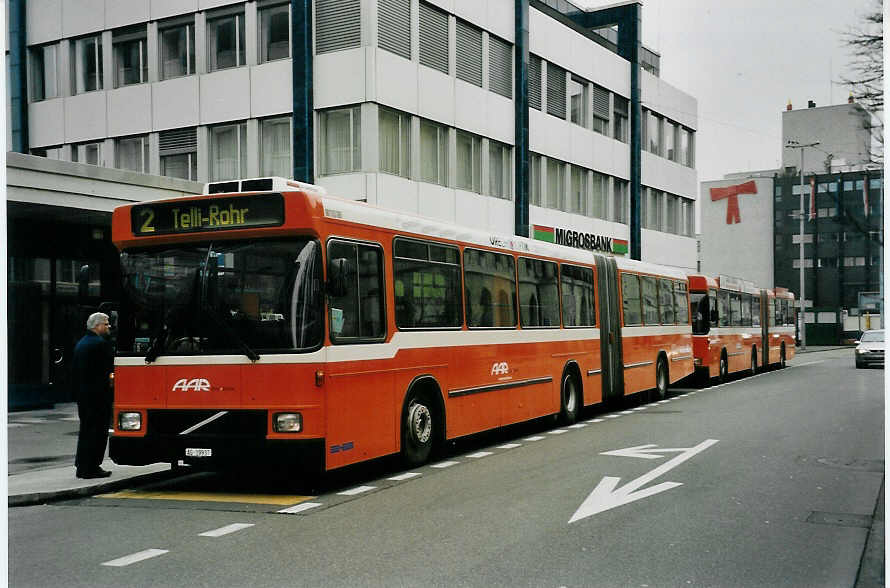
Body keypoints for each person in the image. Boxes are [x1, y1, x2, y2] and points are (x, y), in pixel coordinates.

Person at [72, 312, 114, 479]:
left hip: (84, 396)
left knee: (86, 431)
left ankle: (82, 465)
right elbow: (108, 371)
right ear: (97, 326)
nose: (109, 327)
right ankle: (92, 467)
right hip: (98, 397)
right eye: (106, 324)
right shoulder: (100, 344)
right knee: (98, 432)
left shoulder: (82, 343)